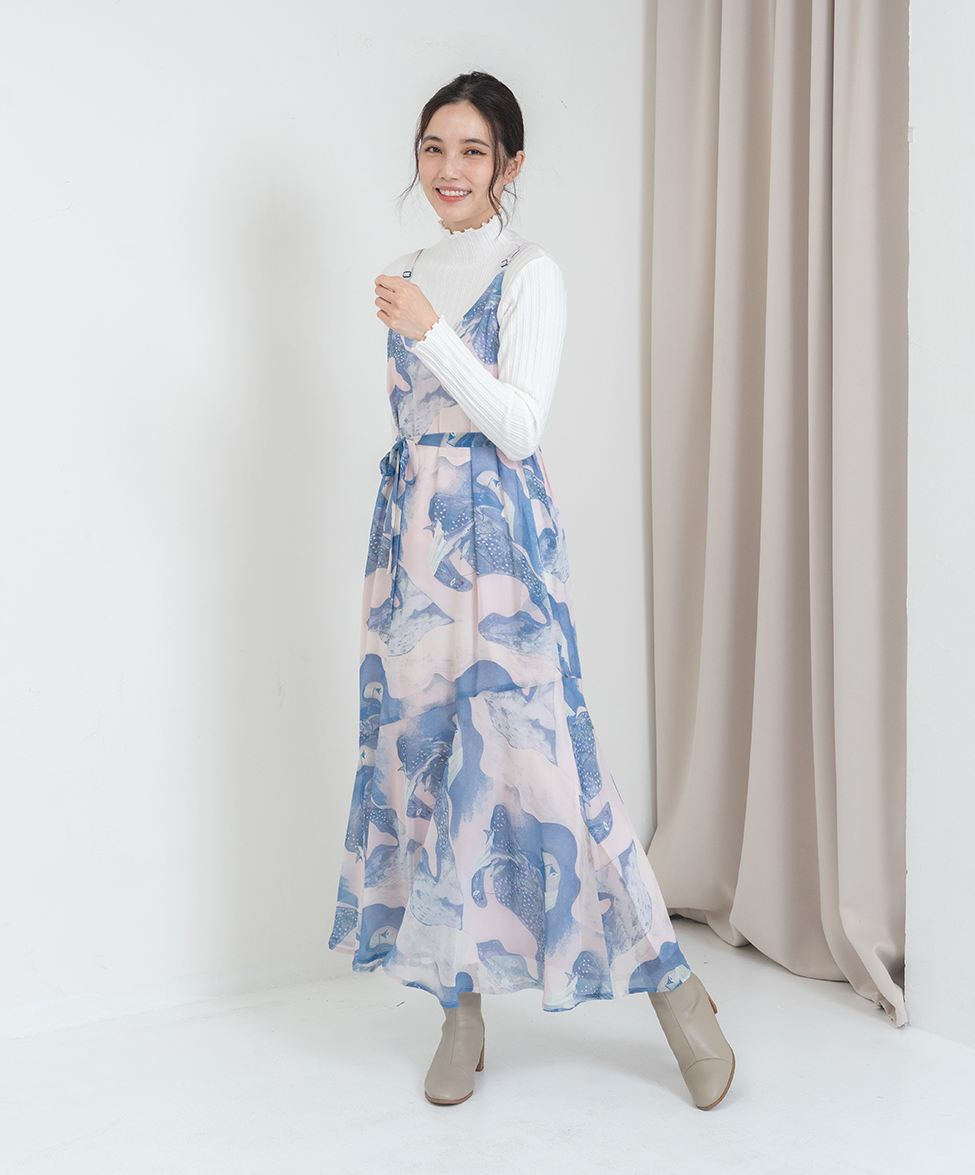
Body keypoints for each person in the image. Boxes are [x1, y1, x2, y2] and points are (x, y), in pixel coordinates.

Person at [328, 70, 735, 1111]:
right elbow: (415, 430)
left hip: (501, 548)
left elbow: (517, 427)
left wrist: (432, 330)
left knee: (551, 775)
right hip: (412, 550)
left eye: (472, 150)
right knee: (427, 773)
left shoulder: (527, 271)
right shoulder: (404, 271)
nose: (448, 169)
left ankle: (679, 993)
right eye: (433, 148)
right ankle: (458, 1013)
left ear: (509, 164)